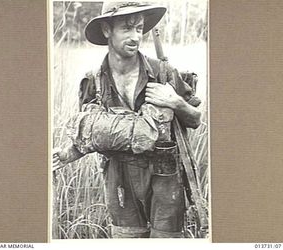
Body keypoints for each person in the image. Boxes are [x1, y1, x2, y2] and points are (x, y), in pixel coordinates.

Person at [53, 1, 201, 238]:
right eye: (127, 28)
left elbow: (195, 119)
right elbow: (90, 134)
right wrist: (67, 154)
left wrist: (175, 102)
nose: (136, 37)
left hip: (165, 179)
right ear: (106, 30)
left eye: (140, 28)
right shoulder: (93, 81)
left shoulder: (163, 73)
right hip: (119, 181)